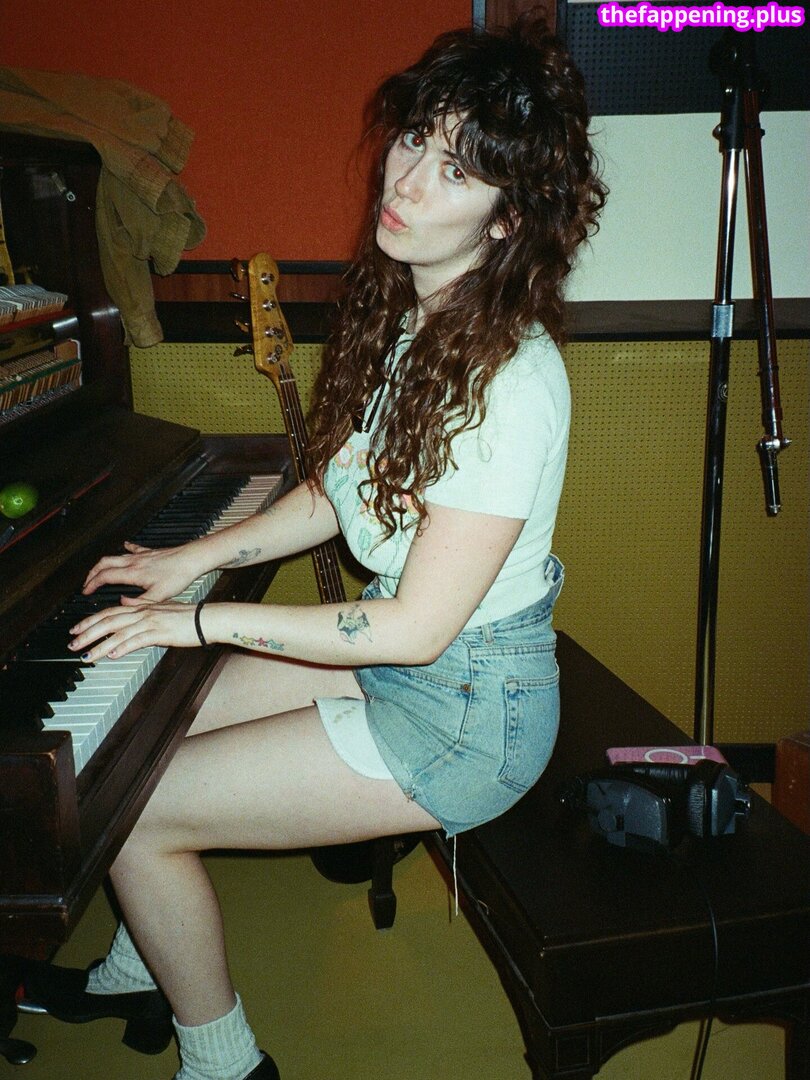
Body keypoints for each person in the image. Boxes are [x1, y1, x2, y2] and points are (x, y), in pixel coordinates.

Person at [19, 17, 606, 1080]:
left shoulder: (509, 384)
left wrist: (201, 617)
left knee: (134, 811)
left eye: (457, 170)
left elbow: (414, 629)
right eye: (416, 138)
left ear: (509, 217)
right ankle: (145, 968)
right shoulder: (425, 319)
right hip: (416, 666)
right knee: (152, 727)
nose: (409, 181)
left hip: (467, 713)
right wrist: (191, 560)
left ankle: (225, 1064)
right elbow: (338, 495)